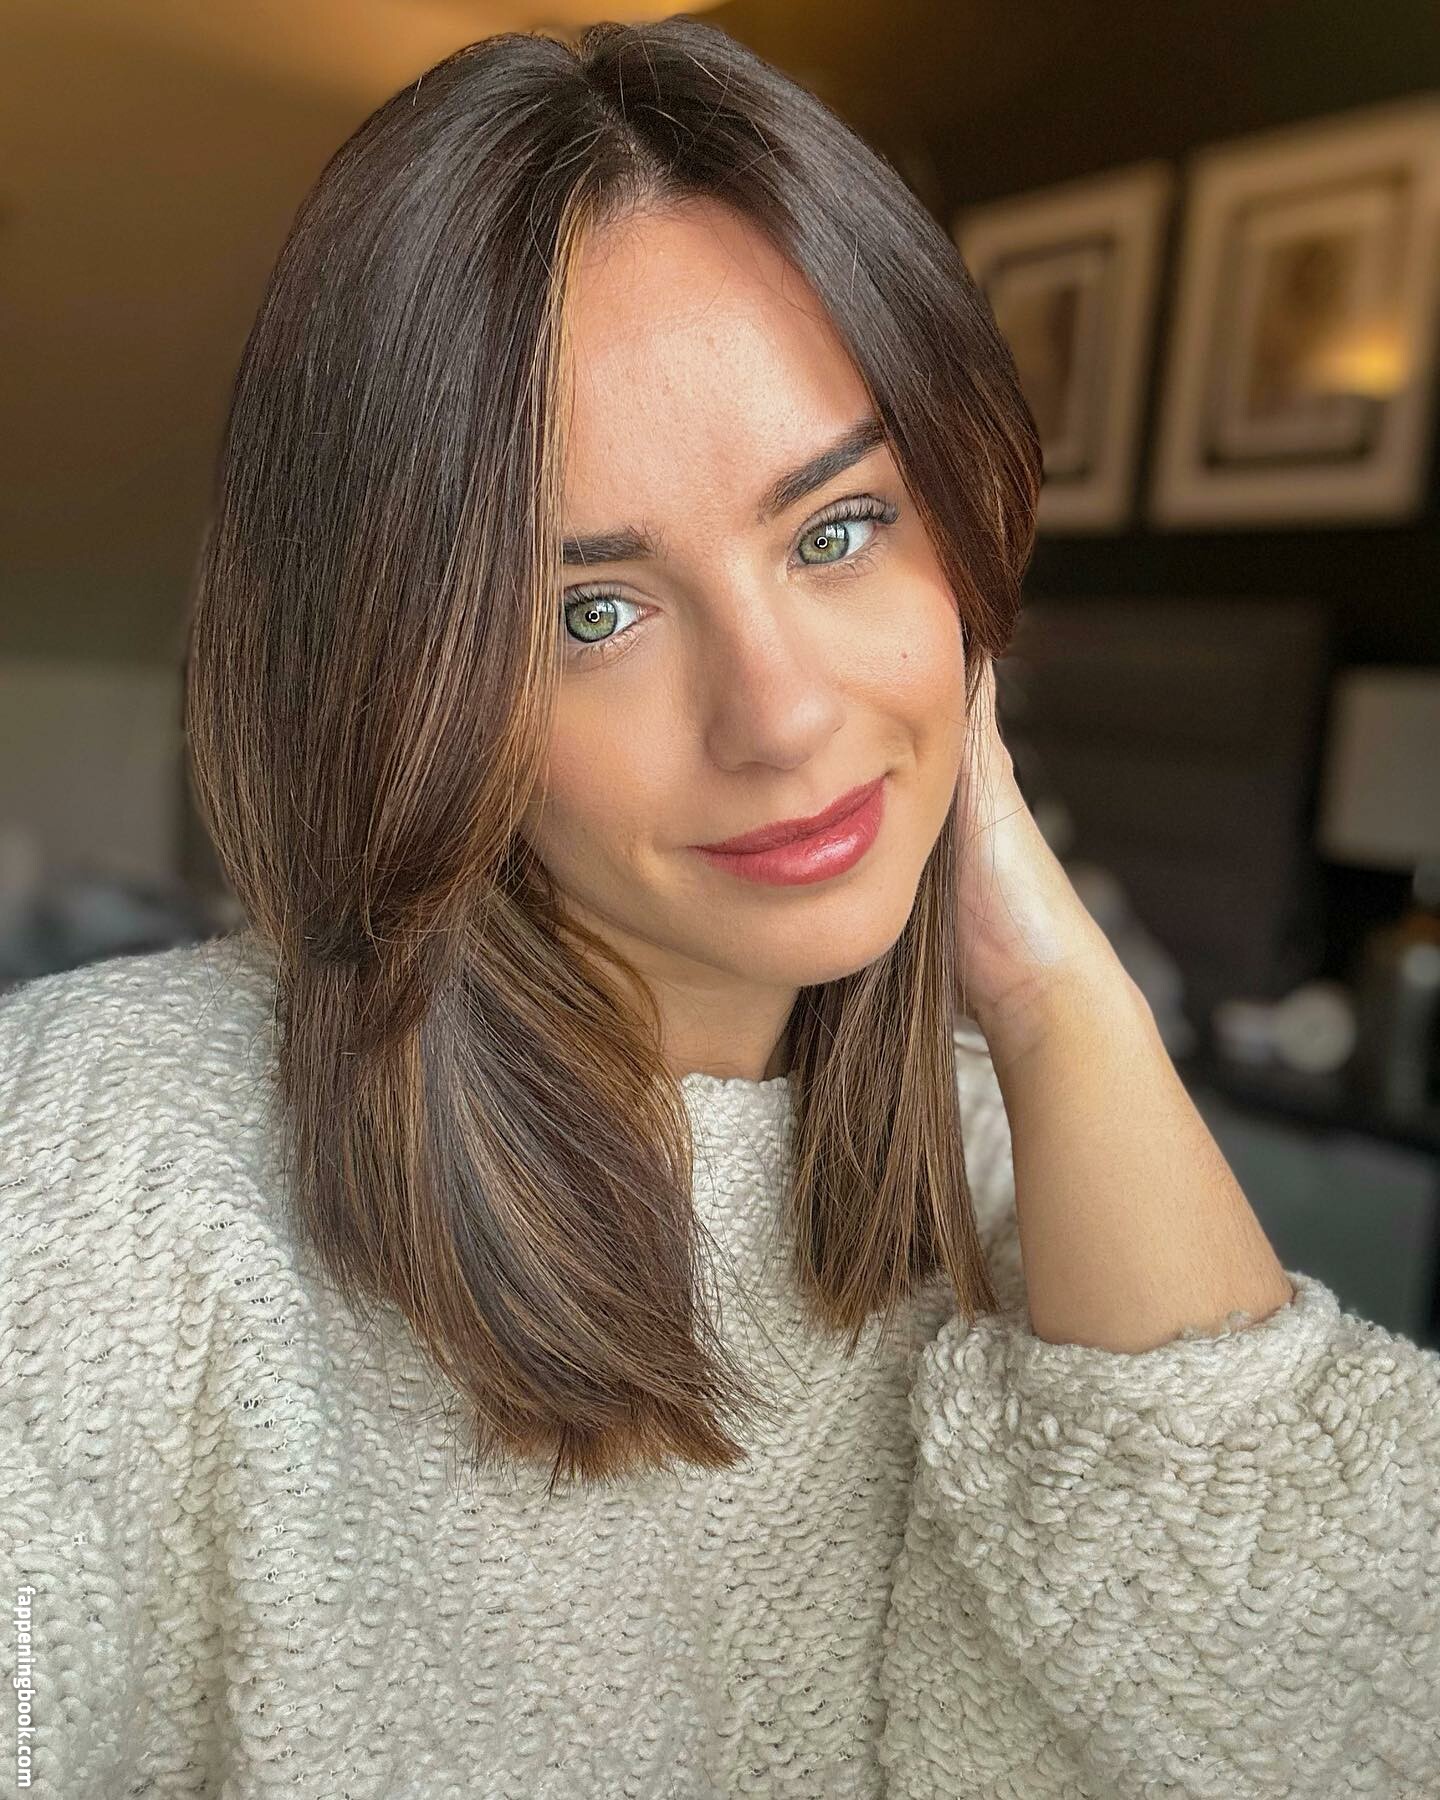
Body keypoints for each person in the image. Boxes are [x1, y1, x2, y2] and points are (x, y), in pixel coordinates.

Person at [3, 18, 1437, 1799]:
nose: (782, 717)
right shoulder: (109, 1159)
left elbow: (1349, 1723)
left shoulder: (1029, 1176)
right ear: (404, 690)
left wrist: (1066, 1000)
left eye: (838, 529)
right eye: (591, 614)